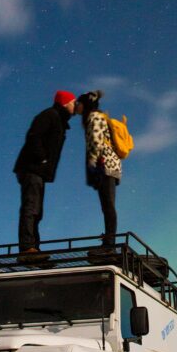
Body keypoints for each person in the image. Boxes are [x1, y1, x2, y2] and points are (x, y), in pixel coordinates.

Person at [13, 90, 76, 262]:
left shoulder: (58, 118)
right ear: (65, 103)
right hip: (32, 168)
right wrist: (42, 158)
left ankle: (33, 248)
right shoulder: (50, 115)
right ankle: (27, 248)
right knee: (31, 207)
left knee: (36, 210)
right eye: (72, 102)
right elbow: (34, 136)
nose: (75, 105)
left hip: (38, 170)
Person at [76, 90, 122, 248]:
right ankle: (109, 240)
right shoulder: (98, 116)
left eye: (79, 103)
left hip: (105, 165)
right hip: (109, 165)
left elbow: (96, 141)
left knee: (108, 205)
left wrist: (92, 161)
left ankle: (109, 243)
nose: (77, 106)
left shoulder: (94, 117)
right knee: (107, 205)